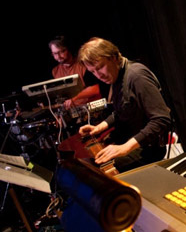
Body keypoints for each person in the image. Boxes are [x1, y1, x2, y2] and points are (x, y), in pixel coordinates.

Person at [77, 37, 171, 172]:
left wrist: (124, 148)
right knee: (85, 162)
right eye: (93, 72)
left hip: (147, 149)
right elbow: (123, 109)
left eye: (100, 67)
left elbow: (161, 119)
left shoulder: (136, 75)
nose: (99, 75)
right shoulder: (116, 76)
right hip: (130, 142)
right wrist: (99, 127)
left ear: (114, 57)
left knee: (94, 173)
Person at [49, 35, 108, 109]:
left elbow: (96, 89)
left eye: (62, 52)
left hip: (89, 108)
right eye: (55, 54)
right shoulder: (55, 71)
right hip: (70, 111)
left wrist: (74, 99)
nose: (58, 56)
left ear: (68, 49)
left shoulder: (83, 64)